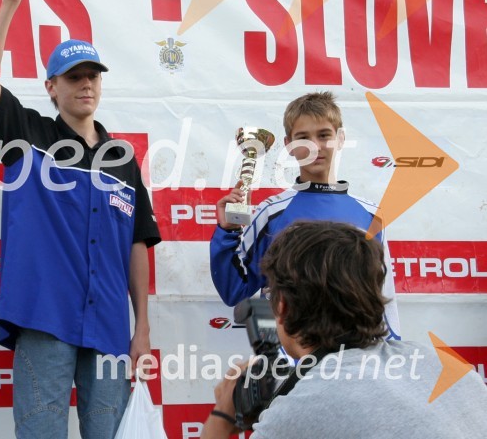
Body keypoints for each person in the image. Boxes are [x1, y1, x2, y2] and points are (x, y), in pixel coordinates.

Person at [0, 0, 161, 439]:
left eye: (93, 75)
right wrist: (10, 3)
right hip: (44, 316)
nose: (86, 84)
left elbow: (138, 245)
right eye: (74, 76)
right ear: (51, 87)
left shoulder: (123, 157)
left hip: (110, 325)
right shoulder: (28, 133)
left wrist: (141, 328)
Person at [201, 220, 487, 439]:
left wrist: (224, 412)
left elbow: (332, 400)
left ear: (283, 305)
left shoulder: (302, 410)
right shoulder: (444, 365)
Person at [210, 91, 400, 338]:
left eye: (324, 135)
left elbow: (385, 298)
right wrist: (228, 232)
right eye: (303, 138)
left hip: (356, 361)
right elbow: (233, 290)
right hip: (292, 366)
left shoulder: (371, 214)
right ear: (289, 145)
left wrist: (391, 354)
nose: (314, 147)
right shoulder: (271, 213)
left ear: (340, 138)